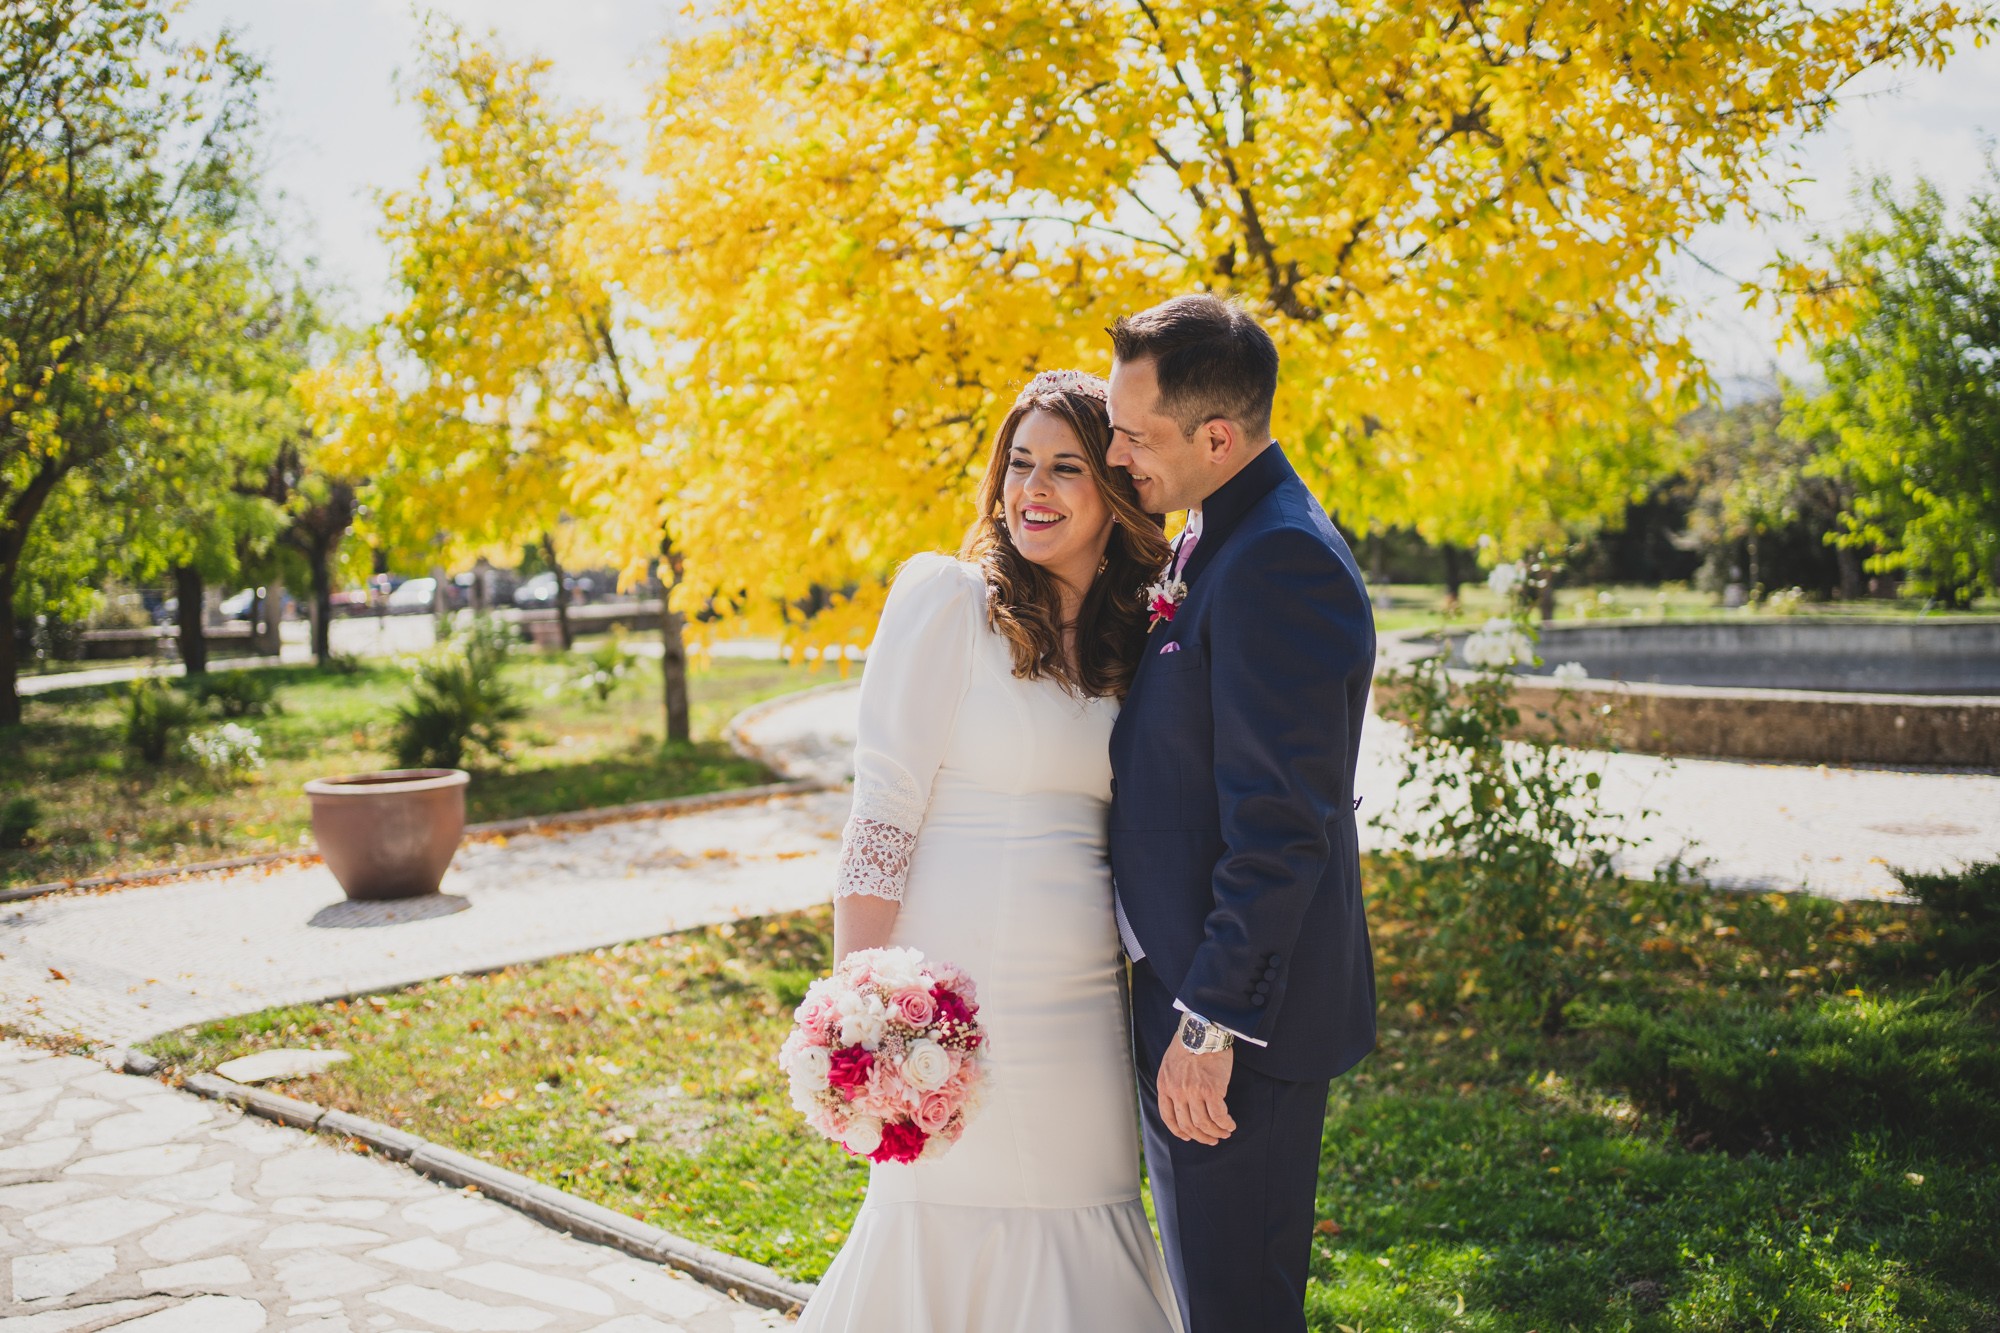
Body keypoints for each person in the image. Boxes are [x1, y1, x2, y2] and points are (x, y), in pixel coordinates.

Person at [797, 370, 1184, 1332]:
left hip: (1083, 1001)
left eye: (1064, 467)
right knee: (936, 1217)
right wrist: (864, 1011)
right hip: (947, 1000)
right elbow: (881, 815)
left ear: (1116, 489)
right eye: (1019, 465)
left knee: (1086, 1211)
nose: (1033, 490)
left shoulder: (1137, 636)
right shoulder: (948, 599)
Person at [1105, 295, 1378, 1333]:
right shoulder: (1214, 533)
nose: (1119, 452)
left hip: (1237, 1029)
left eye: (1136, 435)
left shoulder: (1277, 560)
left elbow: (1280, 824)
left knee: (1236, 1315)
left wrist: (1209, 1021)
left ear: (1216, 436)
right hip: (1191, 994)